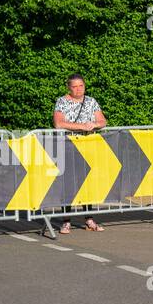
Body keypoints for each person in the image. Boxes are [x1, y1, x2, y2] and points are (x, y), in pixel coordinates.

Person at [53, 74, 108, 233]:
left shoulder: (91, 101)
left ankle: (89, 219)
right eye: (75, 86)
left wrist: (94, 124)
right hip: (68, 146)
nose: (78, 89)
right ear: (68, 88)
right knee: (68, 183)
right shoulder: (62, 101)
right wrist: (81, 126)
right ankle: (66, 220)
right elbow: (58, 123)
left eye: (81, 86)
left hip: (88, 146)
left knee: (87, 182)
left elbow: (103, 121)